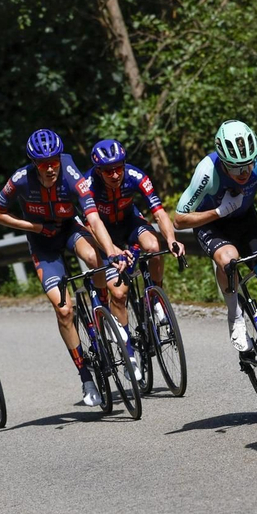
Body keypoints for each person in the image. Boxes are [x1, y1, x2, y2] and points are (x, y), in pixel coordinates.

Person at [0, 127, 123, 407]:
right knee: (64, 310)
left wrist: (110, 251)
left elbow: (94, 220)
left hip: (69, 229)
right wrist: (34, 226)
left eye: (54, 161)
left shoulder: (71, 173)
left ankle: (102, 311)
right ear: (33, 163)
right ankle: (86, 378)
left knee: (93, 259)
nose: (51, 168)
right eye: (43, 164)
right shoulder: (20, 180)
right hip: (42, 242)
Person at [173, 119, 257, 354]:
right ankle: (235, 316)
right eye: (234, 167)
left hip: (246, 218)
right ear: (222, 161)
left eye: (247, 165)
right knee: (229, 260)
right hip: (213, 224)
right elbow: (179, 219)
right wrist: (220, 211)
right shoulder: (207, 171)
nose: (243, 172)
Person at [85, 138, 184, 370]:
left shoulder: (135, 175)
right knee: (118, 295)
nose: (115, 175)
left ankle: (155, 297)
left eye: (119, 168)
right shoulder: (88, 184)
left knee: (153, 245)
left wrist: (171, 239)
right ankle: (127, 348)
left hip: (129, 222)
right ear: (98, 171)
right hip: (103, 233)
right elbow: (91, 225)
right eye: (108, 171)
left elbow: (158, 212)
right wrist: (112, 250)